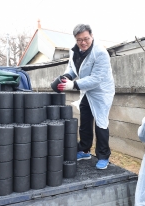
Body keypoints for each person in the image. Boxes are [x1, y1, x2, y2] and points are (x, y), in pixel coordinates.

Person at [55, 24, 115, 170]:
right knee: (85, 120)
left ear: (92, 36)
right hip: (86, 91)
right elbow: (72, 67)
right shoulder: (74, 50)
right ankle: (85, 150)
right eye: (79, 39)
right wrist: (67, 77)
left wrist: (73, 85)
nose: (83, 42)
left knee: (101, 123)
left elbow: (96, 78)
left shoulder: (100, 53)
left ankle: (103, 156)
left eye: (86, 39)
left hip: (101, 92)